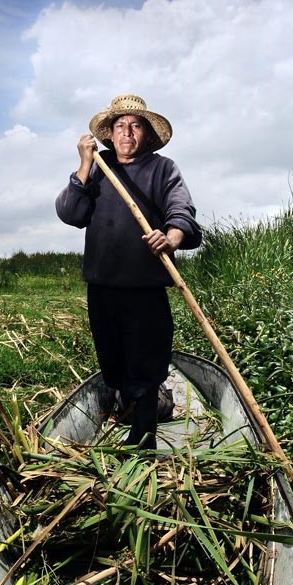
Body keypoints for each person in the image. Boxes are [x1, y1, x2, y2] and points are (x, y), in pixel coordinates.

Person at [55, 94, 202, 449]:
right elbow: (70, 213)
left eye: (135, 126)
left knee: (146, 364)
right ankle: (129, 404)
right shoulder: (99, 168)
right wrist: (85, 164)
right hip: (102, 285)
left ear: (147, 135)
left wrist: (170, 236)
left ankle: (144, 438)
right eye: (120, 126)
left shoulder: (163, 168)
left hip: (145, 287)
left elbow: (182, 213)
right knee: (113, 362)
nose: (127, 133)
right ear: (110, 133)